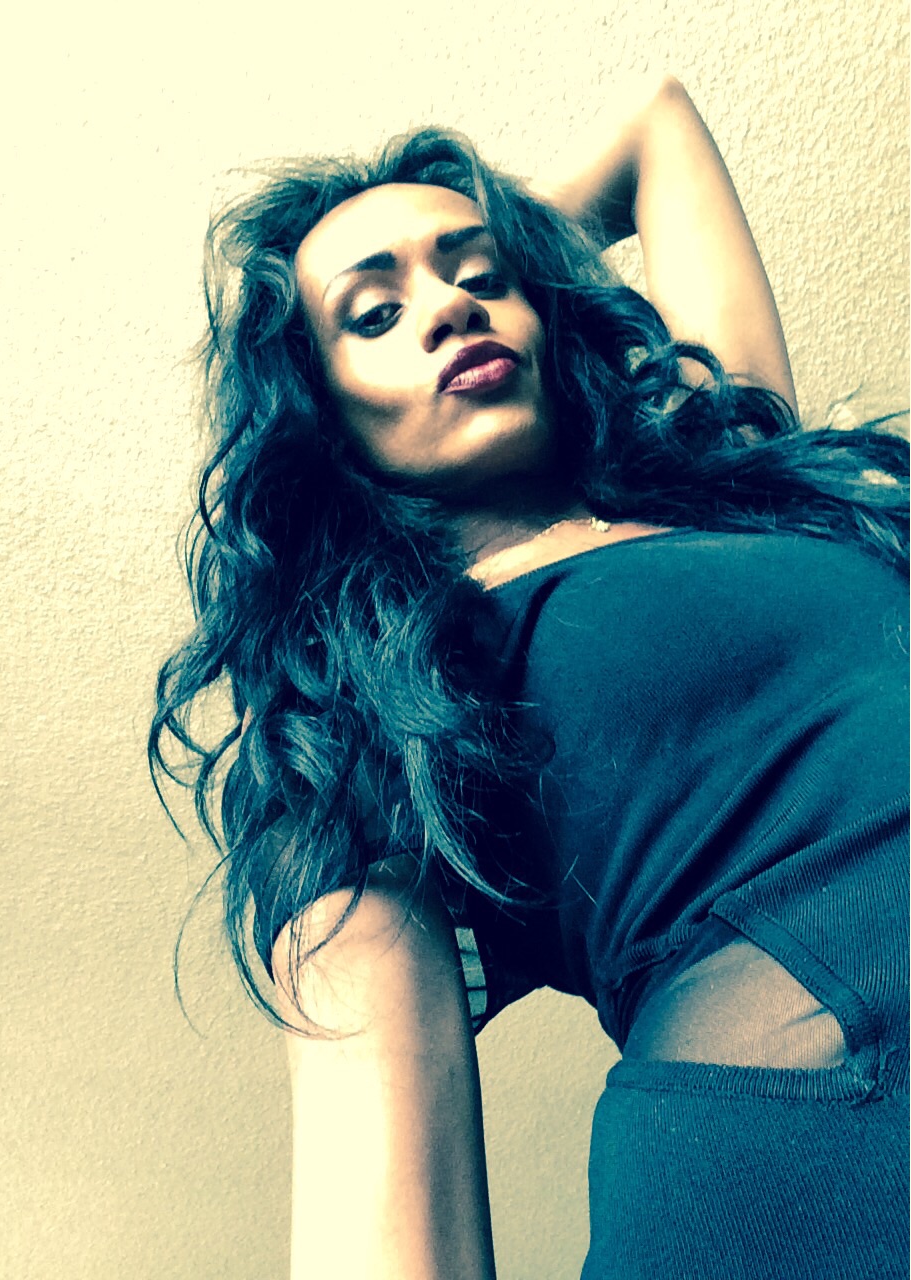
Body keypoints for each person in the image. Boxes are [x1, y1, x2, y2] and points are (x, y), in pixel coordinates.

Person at [149, 76, 909, 1280]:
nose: (450, 305)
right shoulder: (368, 707)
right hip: (824, 1149)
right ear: (317, 410)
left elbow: (657, 130)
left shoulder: (732, 479)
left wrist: (488, 268)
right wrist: (439, 276)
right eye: (374, 314)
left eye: (478, 273)